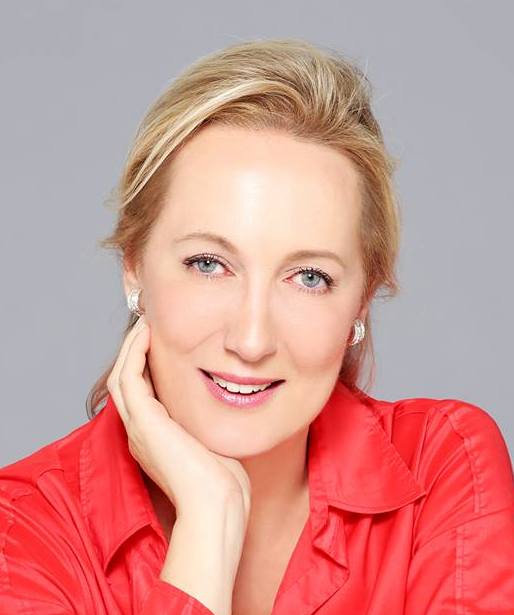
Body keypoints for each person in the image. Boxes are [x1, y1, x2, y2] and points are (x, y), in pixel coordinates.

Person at [1, 38, 513, 615]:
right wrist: (209, 520)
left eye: (309, 277)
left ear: (361, 303)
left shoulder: (440, 466)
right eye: (208, 264)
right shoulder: (20, 533)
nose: (251, 340)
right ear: (133, 267)